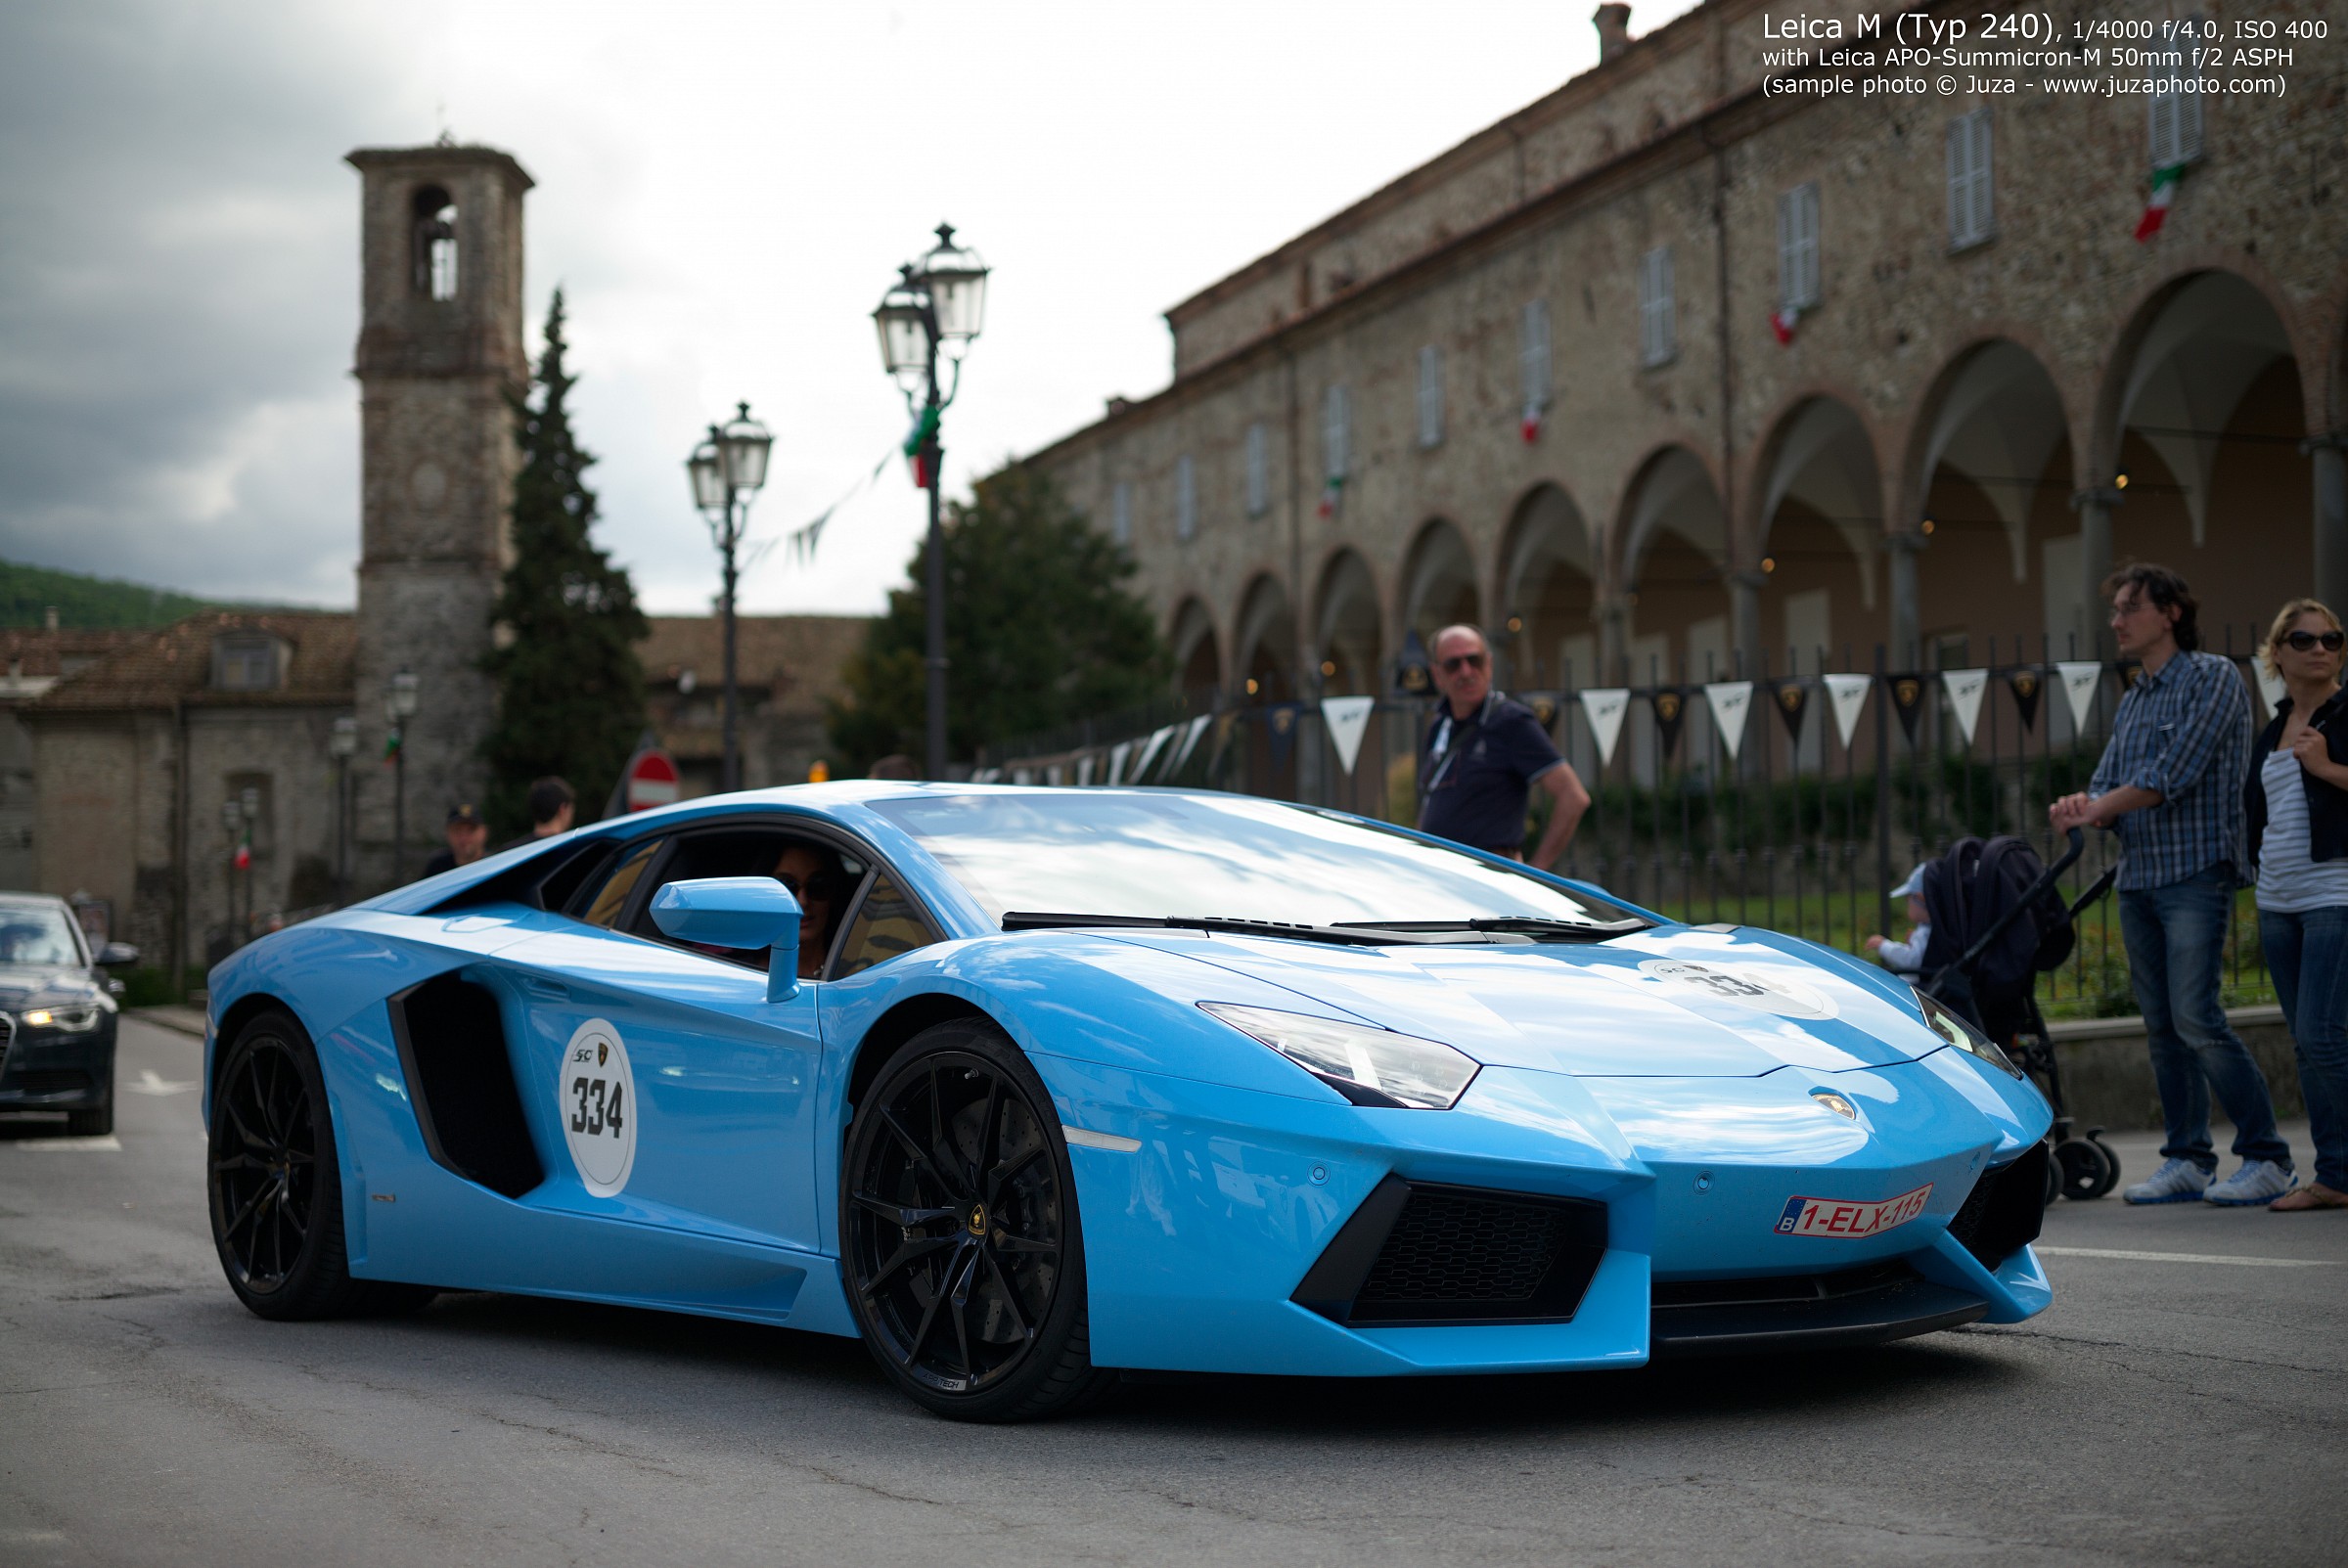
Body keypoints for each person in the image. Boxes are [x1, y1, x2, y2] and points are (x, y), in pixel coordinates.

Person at [2050, 563, 2292, 1206]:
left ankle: (2267, 1155)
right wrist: (2081, 804)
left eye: (2130, 607)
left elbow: (2170, 775)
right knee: (2161, 1026)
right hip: (2141, 878)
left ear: (2171, 614)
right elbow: (2108, 778)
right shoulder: (2137, 696)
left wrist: (2101, 806)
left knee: (2198, 1018)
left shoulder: (2214, 677)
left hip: (2195, 873)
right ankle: (2188, 1157)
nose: (2117, 620)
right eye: (2116, 609)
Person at [2244, 599, 2348, 1212]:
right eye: (2305, 639)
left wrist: (2327, 766)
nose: (2320, 649)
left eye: (2332, 639)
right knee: (2308, 1042)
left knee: (2322, 1035)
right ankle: (2335, 1171)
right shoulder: (2275, 723)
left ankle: (2337, 1171)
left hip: (2334, 891)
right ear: (2278, 652)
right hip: (2277, 898)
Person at [1416, 624, 1590, 868]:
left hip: (1489, 877)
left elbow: (1573, 797)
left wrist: (1534, 873)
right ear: (1437, 674)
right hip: (1442, 876)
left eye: (1473, 660)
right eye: (1453, 665)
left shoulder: (1511, 721)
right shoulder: (1439, 725)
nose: (1466, 671)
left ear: (1489, 664)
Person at [772, 840, 844, 979]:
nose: (802, 901)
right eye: (787, 887)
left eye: (818, 886)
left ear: (835, 893)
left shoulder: (861, 972)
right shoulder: (741, 973)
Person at [1866, 866, 1931, 978]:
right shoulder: (1930, 929)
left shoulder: (1926, 931)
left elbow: (1911, 960)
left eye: (1907, 900)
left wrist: (1883, 945)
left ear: (1920, 899)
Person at [420, 803, 487, 877]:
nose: (464, 838)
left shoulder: (493, 867)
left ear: (483, 832)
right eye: (457, 831)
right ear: (448, 833)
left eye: (471, 830)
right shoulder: (437, 868)